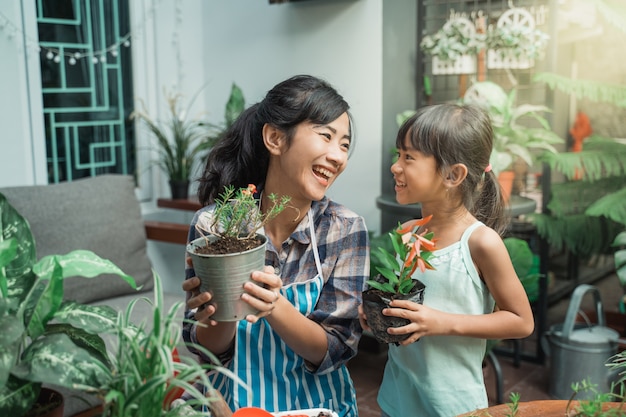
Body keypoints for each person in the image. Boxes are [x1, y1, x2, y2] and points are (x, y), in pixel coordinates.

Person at [182, 75, 370, 417]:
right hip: (235, 405)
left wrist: (273, 306)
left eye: (344, 144)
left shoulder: (344, 229)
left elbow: (336, 349)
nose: (338, 156)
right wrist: (220, 308)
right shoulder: (214, 227)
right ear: (274, 138)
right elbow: (206, 349)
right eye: (326, 136)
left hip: (318, 407)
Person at [359, 103, 535, 417]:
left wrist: (440, 322)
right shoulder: (407, 233)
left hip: (452, 406)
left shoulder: (480, 242)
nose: (395, 167)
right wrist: (378, 315)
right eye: (398, 155)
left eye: (409, 157)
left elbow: (521, 321)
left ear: (453, 174)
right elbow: (404, 302)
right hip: (397, 397)